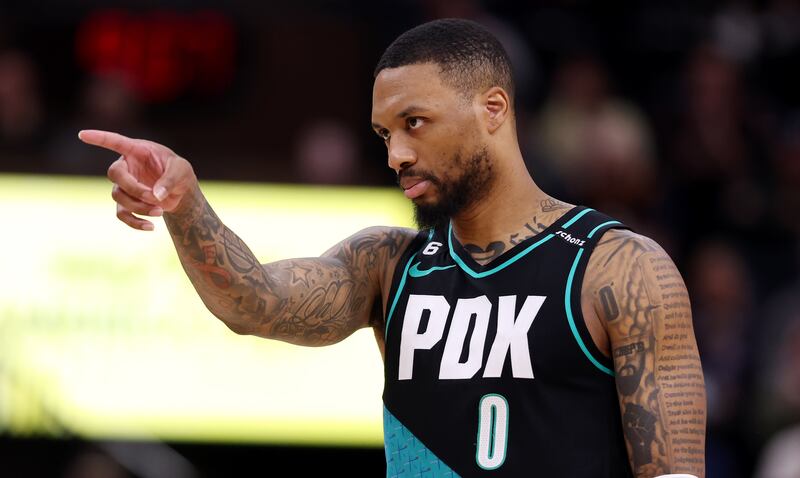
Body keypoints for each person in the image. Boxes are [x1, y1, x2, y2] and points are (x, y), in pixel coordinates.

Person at [79, 18, 706, 478]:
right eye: (384, 133)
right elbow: (256, 303)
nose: (395, 155)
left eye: (414, 123)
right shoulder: (389, 264)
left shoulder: (618, 267)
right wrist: (185, 204)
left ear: (493, 109)